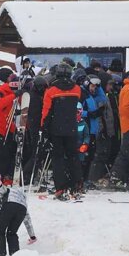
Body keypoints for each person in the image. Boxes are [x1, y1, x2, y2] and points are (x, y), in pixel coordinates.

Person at [41, 64, 84, 199]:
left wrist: (44, 129)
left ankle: (61, 187)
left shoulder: (51, 90)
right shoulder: (77, 89)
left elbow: (46, 112)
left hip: (56, 129)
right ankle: (77, 183)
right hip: (72, 128)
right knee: (73, 156)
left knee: (58, 158)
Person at [0, 175, 36, 256]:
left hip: (9, 206)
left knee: (0, 231)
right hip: (22, 210)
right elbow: (27, 220)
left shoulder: (9, 190)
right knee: (12, 233)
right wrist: (32, 236)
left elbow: (3, 190)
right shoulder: (23, 198)